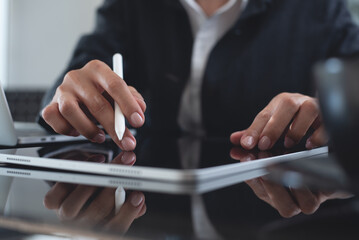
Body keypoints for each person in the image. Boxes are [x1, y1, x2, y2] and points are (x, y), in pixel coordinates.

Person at [40, 0, 359, 151]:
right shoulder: (130, 6)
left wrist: (332, 112)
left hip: (274, 216)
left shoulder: (322, 9)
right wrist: (73, 96)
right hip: (149, 210)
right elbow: (74, 85)